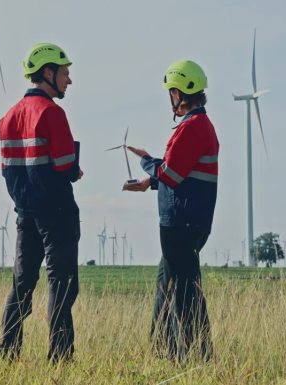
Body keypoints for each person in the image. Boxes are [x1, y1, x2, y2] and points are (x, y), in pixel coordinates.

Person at [0, 42, 83, 363]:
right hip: (56, 211)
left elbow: (8, 169)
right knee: (62, 284)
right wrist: (75, 168)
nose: (68, 81)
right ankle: (60, 356)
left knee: (22, 283)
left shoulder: (7, 119)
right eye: (65, 73)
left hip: (24, 210)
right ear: (48, 72)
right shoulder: (51, 112)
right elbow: (63, 164)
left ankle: (7, 348)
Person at [125, 60, 218, 361]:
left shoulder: (193, 127)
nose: (170, 98)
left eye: (171, 92)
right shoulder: (198, 126)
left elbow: (171, 174)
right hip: (186, 219)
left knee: (185, 293)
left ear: (179, 93)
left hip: (181, 223)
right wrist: (150, 180)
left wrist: (146, 162)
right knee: (166, 288)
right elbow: (177, 174)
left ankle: (194, 357)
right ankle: (163, 352)